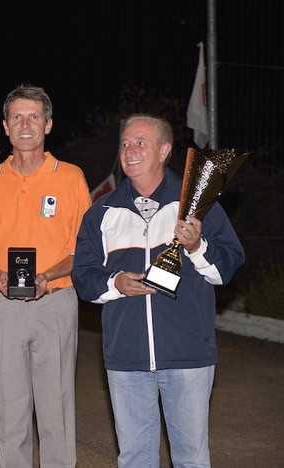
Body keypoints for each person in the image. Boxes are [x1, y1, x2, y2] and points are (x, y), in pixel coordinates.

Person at [71, 114, 245, 467]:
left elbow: (227, 266)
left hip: (188, 356)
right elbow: (83, 276)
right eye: (124, 143)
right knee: (135, 458)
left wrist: (197, 247)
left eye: (140, 143)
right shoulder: (101, 211)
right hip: (127, 358)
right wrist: (114, 283)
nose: (129, 151)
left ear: (164, 150)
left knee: (192, 459)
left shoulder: (198, 203)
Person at [0, 84, 91, 468]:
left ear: (48, 125)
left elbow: (81, 249)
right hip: (2, 306)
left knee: (57, 408)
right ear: (5, 126)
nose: (25, 124)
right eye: (16, 117)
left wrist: (47, 275)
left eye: (33, 116)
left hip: (55, 301)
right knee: (9, 408)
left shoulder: (69, 178)